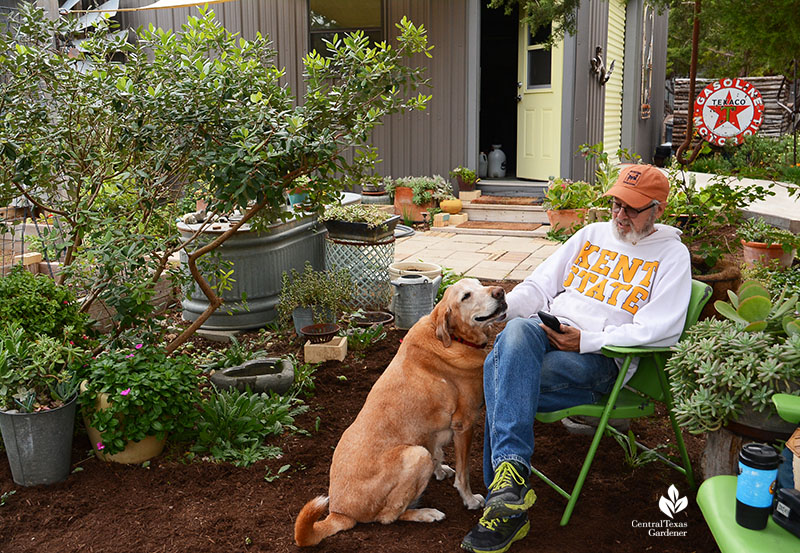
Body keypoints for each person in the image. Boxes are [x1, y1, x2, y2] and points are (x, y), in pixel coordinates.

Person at [460, 164, 692, 553]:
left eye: (631, 209)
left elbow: (661, 329)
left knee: (497, 366)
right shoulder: (591, 235)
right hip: (549, 333)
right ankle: (510, 487)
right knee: (515, 332)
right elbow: (539, 285)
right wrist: (500, 311)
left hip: (601, 360)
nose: (619, 215)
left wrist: (586, 340)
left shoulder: (672, 256)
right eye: (616, 204)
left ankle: (504, 492)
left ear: (658, 209)